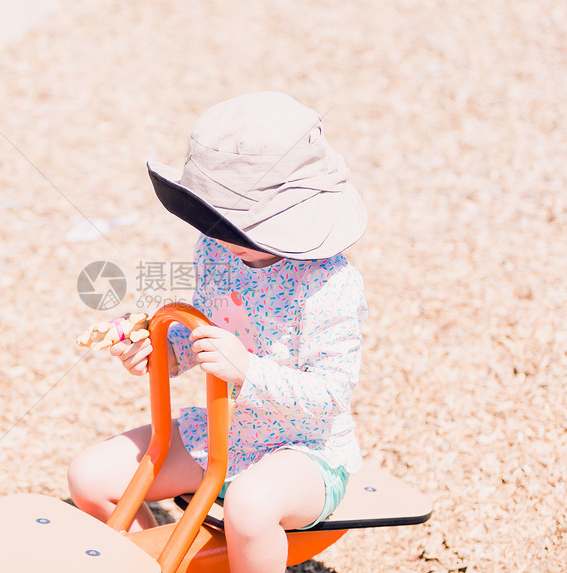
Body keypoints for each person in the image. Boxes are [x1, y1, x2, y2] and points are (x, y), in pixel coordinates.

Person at [67, 91, 368, 573]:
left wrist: (247, 370)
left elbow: (331, 393)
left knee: (249, 507)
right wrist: (158, 350)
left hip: (304, 452)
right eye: (211, 215)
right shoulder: (216, 249)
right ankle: (158, 561)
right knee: (90, 476)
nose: (216, 233)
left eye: (232, 221)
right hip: (222, 430)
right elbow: (206, 333)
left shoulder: (329, 284)